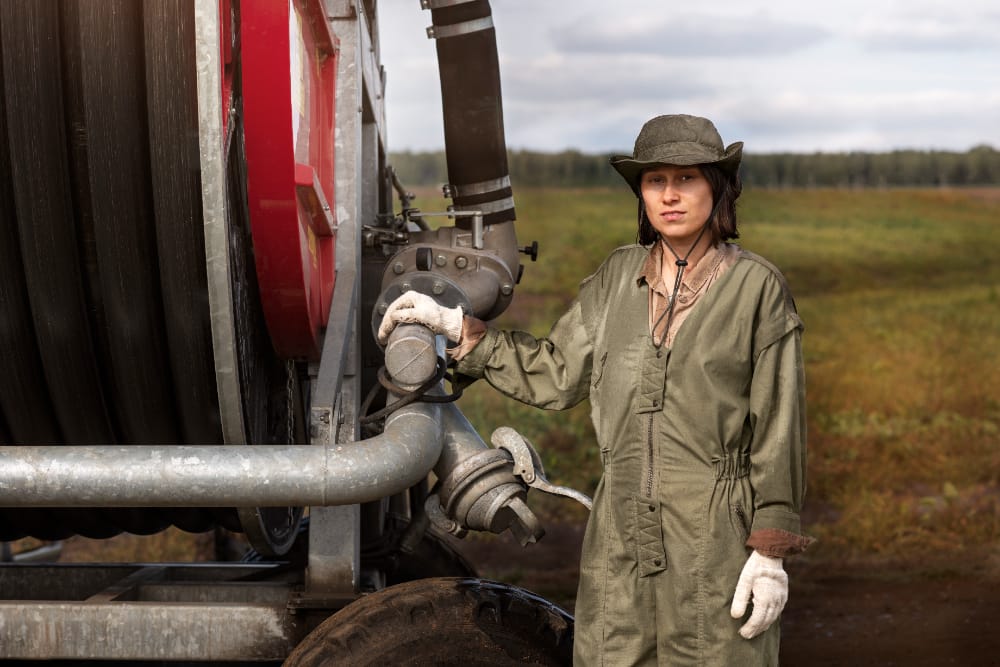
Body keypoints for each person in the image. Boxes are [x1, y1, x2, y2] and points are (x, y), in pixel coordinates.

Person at [378, 114, 813, 665]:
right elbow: (558, 372)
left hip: (714, 529)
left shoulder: (758, 290)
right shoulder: (616, 278)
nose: (670, 196)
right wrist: (457, 329)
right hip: (619, 528)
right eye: (656, 181)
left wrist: (770, 551)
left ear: (717, 189)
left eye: (687, 180)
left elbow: (780, 428)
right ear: (641, 194)